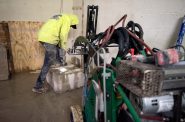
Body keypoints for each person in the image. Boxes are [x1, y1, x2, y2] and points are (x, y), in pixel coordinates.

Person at [32, 14, 79, 93]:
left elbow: (58, 34)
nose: (71, 26)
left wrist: (61, 49)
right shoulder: (67, 20)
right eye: (72, 25)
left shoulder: (62, 16)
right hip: (49, 38)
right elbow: (63, 36)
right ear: (73, 21)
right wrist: (64, 48)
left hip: (43, 36)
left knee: (56, 50)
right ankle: (38, 86)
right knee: (48, 62)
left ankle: (60, 63)